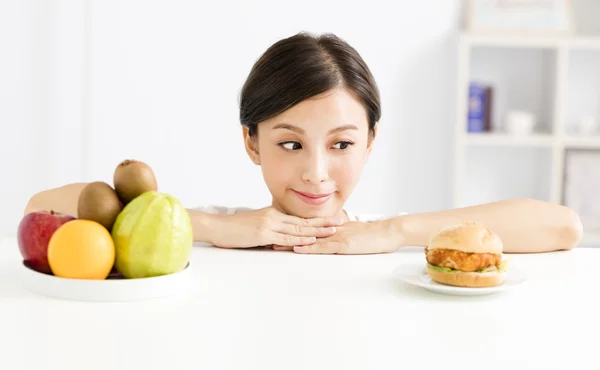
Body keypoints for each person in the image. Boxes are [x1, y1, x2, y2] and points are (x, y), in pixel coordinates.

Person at [23, 32, 583, 255]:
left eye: (341, 144)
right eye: (291, 145)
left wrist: (393, 232)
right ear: (251, 142)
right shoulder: (209, 227)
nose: (317, 172)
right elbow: (40, 207)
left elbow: (562, 227)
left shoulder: (384, 236)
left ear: (370, 142)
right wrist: (217, 227)